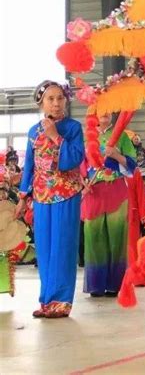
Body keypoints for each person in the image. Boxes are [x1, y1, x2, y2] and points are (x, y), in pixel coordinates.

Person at [15, 80, 84, 318]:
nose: (56, 103)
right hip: (42, 196)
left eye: (60, 98)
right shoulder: (34, 131)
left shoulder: (73, 128)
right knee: (44, 249)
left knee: (63, 247)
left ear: (66, 101)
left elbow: (74, 159)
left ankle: (62, 302)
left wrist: (55, 136)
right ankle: (46, 301)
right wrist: (23, 198)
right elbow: (29, 167)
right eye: (50, 99)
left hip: (66, 194)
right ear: (41, 102)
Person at [81, 112, 136, 297]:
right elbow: (78, 165)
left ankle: (115, 285)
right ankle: (96, 285)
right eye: (99, 111)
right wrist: (82, 182)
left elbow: (132, 165)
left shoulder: (122, 135)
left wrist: (117, 156)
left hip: (116, 189)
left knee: (117, 237)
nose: (103, 115)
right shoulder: (86, 136)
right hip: (93, 191)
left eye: (107, 110)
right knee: (93, 236)